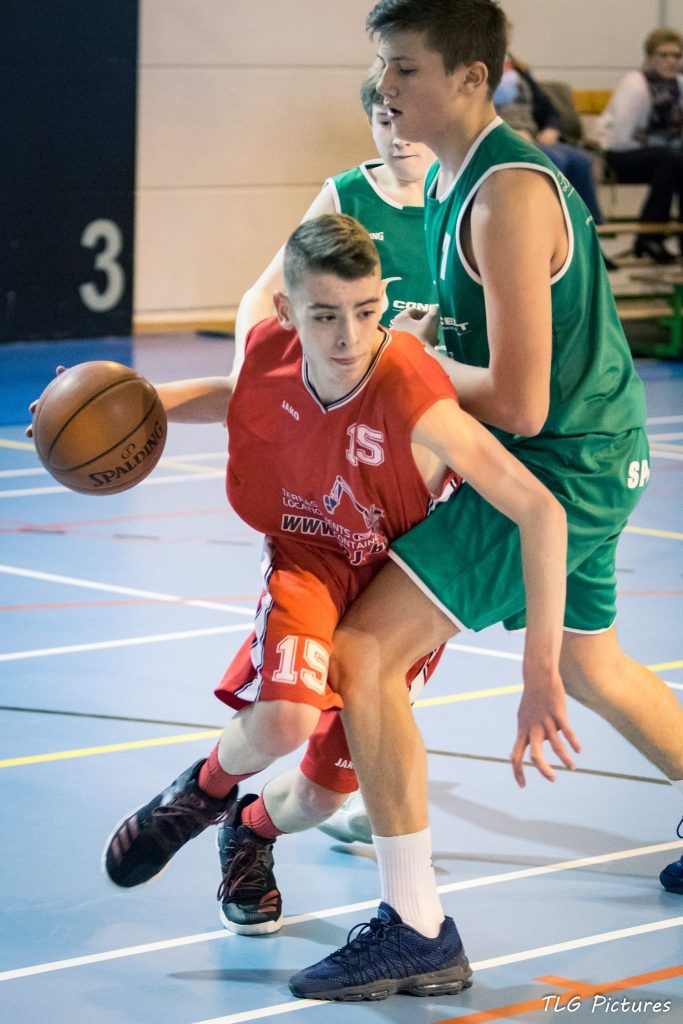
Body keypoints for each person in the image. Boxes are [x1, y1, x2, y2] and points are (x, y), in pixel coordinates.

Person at [287, 0, 683, 1003]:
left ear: (475, 76)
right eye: (381, 67)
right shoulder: (450, 174)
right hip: (592, 449)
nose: (385, 88)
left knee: (363, 653)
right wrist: (424, 336)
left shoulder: (504, 194)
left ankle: (416, 926)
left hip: (558, 464)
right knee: (592, 664)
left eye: (405, 68)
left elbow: (517, 399)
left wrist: (395, 358)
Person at [97, 213, 569, 995]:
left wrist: (539, 667)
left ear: (382, 300)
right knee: (283, 719)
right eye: (323, 315)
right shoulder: (269, 352)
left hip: (395, 586)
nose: (347, 336)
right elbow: (239, 397)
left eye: (365, 311)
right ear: (287, 311)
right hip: (308, 562)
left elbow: (539, 509)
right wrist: (130, 401)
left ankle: (247, 831)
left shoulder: (411, 386)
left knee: (322, 794)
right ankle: (196, 796)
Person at [230, 63, 437, 379]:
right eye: (385, 122)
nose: (399, 139)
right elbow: (264, 293)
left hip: (448, 369)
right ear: (369, 122)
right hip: (365, 374)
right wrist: (242, 371)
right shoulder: (347, 194)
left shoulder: (471, 192)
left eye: (410, 121)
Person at [596, 28, 683, 263]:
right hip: (618, 154)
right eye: (663, 55)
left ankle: (662, 238)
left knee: (674, 160)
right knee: (672, 159)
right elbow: (619, 139)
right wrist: (660, 144)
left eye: (676, 55)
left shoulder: (678, 85)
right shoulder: (635, 84)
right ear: (650, 57)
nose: (671, 61)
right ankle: (649, 236)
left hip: (660, 154)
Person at [494, 52, 605, 226]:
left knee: (582, 160)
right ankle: (552, 227)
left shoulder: (519, 69)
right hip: (504, 136)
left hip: (533, 136)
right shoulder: (477, 68)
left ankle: (588, 227)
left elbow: (548, 109)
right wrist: (510, 133)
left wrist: (550, 128)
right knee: (554, 160)